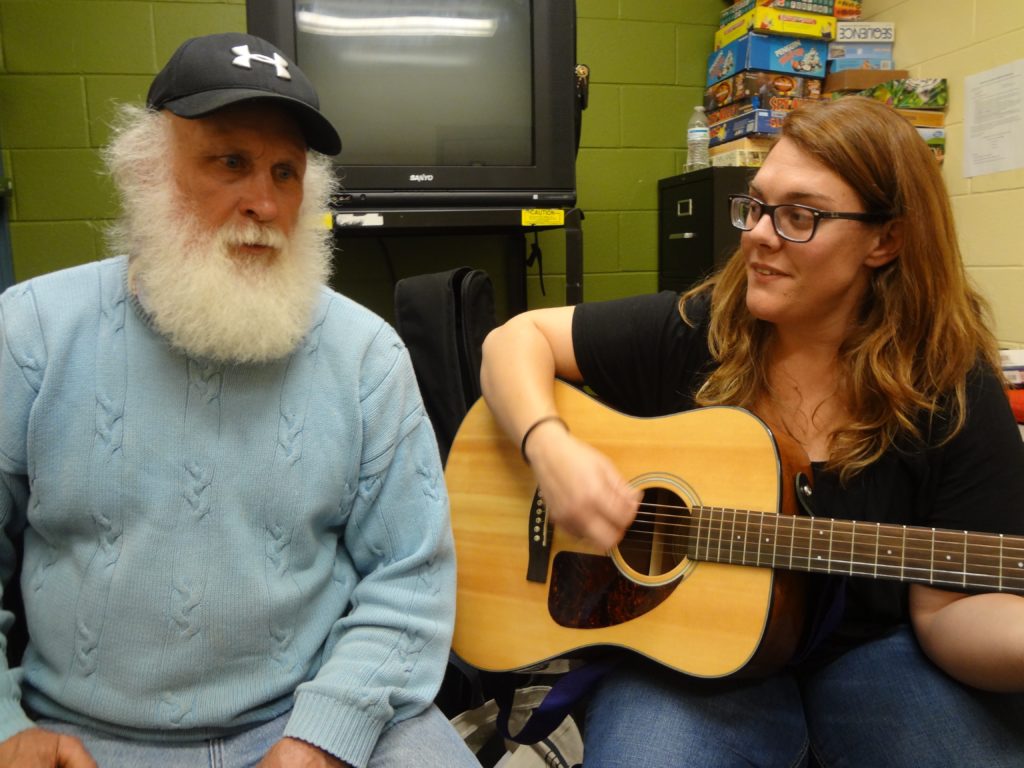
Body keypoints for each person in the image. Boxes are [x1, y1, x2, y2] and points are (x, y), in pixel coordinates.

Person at [478, 96, 1024, 766]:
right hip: (693, 658)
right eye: (757, 206)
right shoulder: (699, 328)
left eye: (799, 215)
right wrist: (550, 447)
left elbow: (946, 614)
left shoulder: (951, 384)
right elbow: (514, 340)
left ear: (886, 241)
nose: (759, 235)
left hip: (875, 659)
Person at [0, 32, 478, 768]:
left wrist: (324, 735)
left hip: (311, 710)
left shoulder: (366, 355)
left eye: (286, 173)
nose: (263, 202)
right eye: (230, 163)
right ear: (148, 170)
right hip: (80, 736)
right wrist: (6, 727)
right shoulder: (30, 332)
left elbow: (411, 579)